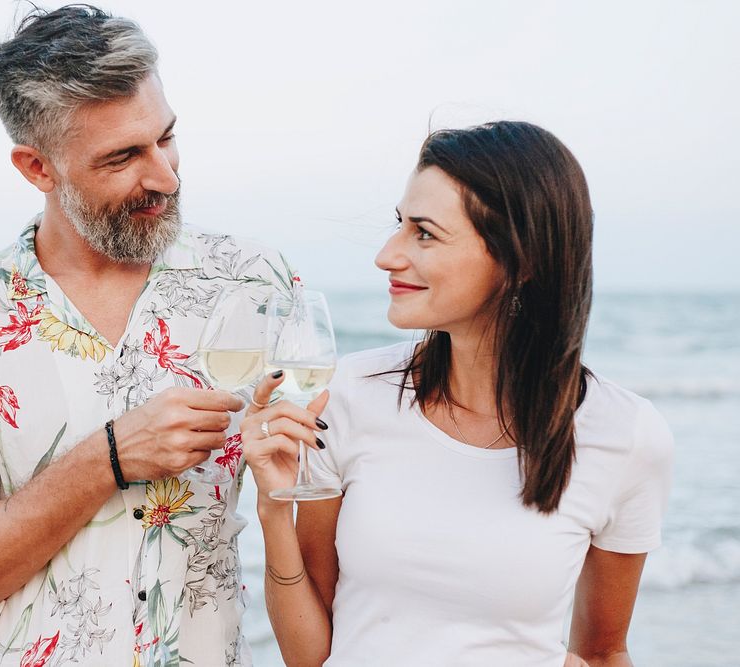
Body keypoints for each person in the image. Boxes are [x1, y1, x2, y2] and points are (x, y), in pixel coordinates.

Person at [0, 5, 296, 666]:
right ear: (37, 168)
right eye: (124, 156)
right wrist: (107, 458)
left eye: (167, 137)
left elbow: (321, 508)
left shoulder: (252, 283)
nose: (165, 175)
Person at [241, 121, 674, 666]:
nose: (386, 255)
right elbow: (310, 656)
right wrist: (274, 510)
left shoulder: (626, 434)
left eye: (424, 232)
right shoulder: (349, 395)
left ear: (521, 259)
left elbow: (604, 652)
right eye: (399, 224)